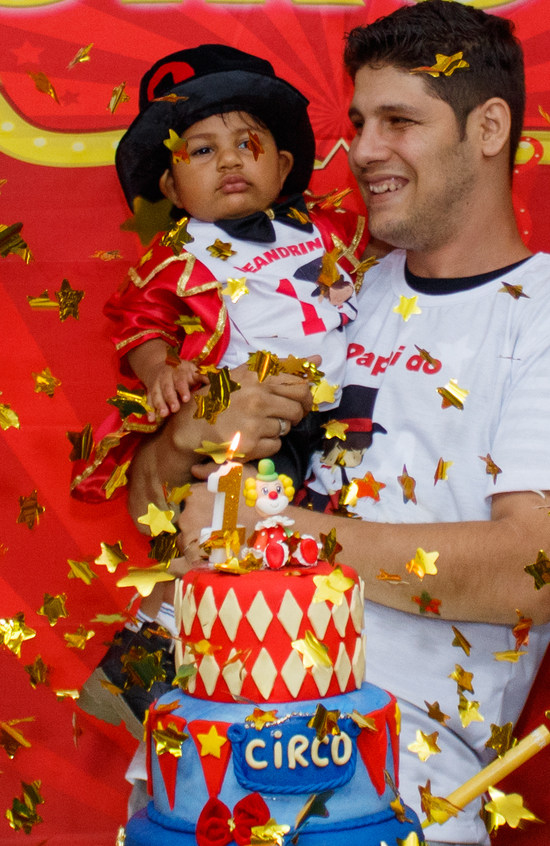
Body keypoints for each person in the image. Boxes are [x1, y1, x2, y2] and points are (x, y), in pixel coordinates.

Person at [173, 0, 550, 846]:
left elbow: (532, 570)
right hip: (206, 787)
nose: (364, 151)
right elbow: (161, 498)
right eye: (358, 123)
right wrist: (193, 439)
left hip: (395, 812)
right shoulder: (333, 287)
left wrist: (280, 537)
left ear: (489, 127)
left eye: (399, 121)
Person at [73, 44, 370, 502]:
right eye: (203, 150)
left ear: (283, 166)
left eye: (247, 144)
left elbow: (390, 259)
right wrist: (161, 369)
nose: (229, 160)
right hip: (259, 416)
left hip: (345, 402)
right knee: (250, 500)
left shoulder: (326, 225)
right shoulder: (178, 255)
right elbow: (140, 323)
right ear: (173, 188)